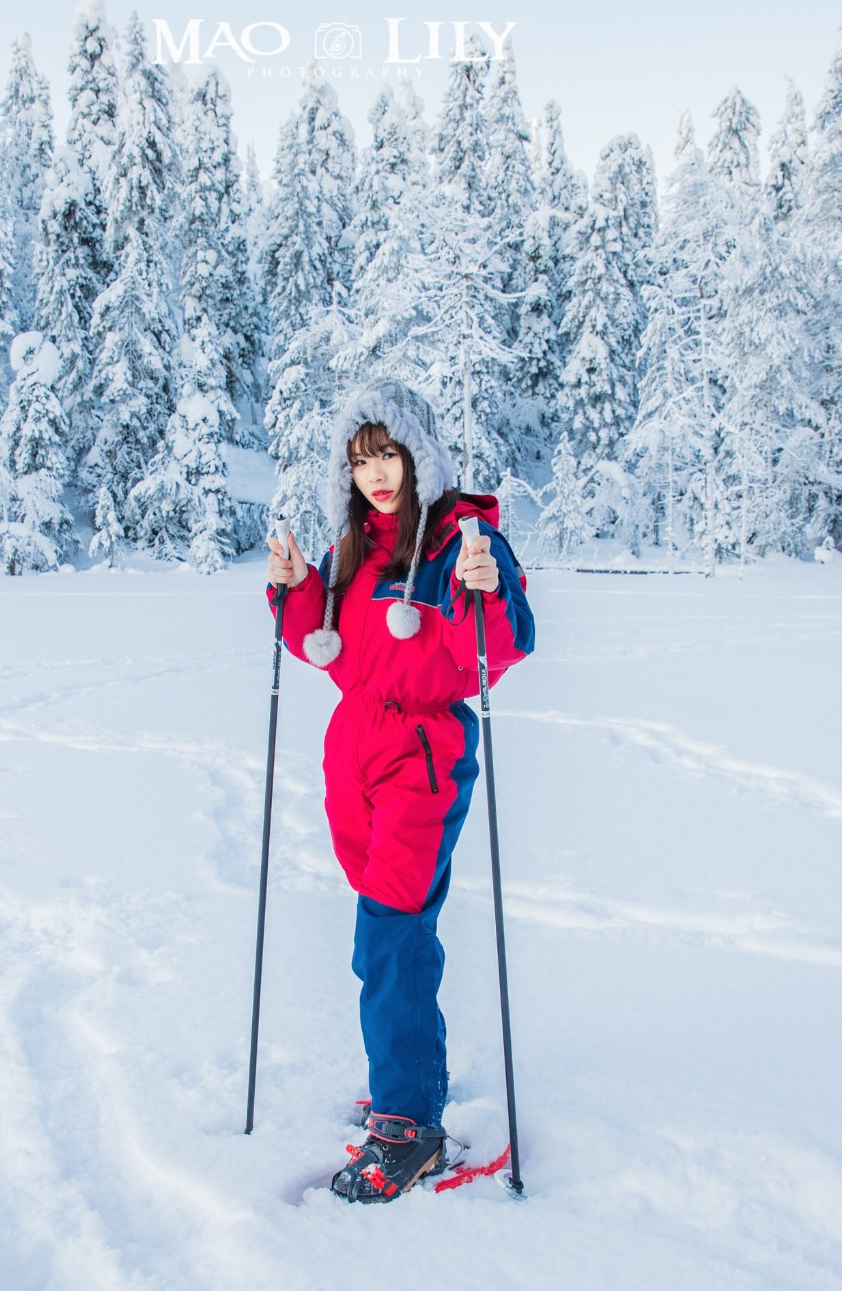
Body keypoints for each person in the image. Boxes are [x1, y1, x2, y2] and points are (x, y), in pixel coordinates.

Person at [263, 382, 535, 1204]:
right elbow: (331, 647)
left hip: (424, 752)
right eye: (359, 459)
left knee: (389, 931)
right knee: (386, 924)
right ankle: (407, 1068)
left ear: (417, 452)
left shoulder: (459, 536)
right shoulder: (357, 546)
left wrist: (484, 589)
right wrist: (296, 588)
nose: (376, 473)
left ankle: (409, 1124)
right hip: (356, 750)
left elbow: (501, 645)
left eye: (386, 452)